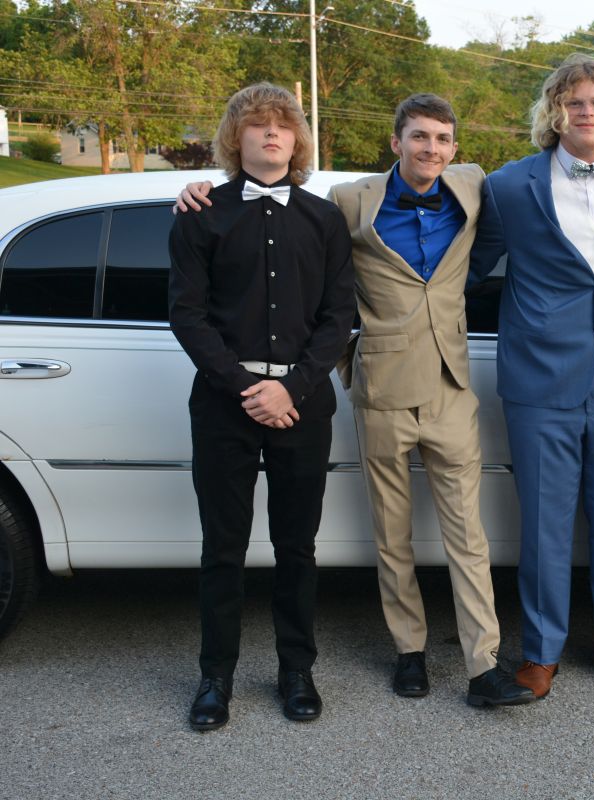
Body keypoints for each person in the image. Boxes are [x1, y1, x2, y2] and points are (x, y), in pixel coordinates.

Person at [174, 94, 535, 707]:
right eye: (418, 137)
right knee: (377, 536)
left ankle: (479, 666)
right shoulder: (344, 203)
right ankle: (402, 653)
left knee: (462, 537)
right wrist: (192, 188)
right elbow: (208, 304)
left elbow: (539, 178)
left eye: (442, 139)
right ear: (395, 142)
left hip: (440, 387)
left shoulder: (469, 186)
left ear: (454, 148)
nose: (431, 149)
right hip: (370, 388)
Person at [468, 54, 594, 699]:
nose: (588, 112)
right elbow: (463, 267)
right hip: (541, 379)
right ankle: (541, 652)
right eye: (575, 102)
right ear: (554, 112)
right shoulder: (509, 185)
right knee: (544, 526)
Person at [168, 82, 356, 730]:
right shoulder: (200, 213)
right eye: (257, 123)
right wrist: (248, 389)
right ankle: (214, 677)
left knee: (296, 548)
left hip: (303, 405)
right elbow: (187, 315)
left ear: (297, 139)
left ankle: (296, 670)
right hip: (226, 405)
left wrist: (291, 388)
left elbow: (338, 317)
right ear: (236, 137)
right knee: (223, 548)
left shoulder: (324, 219)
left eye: (282, 123)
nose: (271, 132)